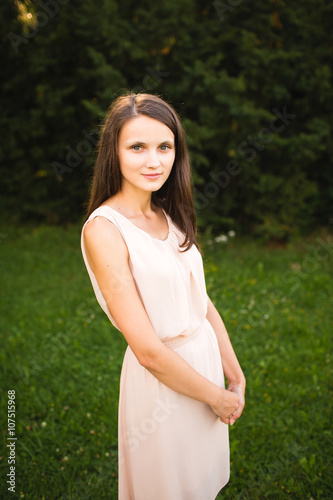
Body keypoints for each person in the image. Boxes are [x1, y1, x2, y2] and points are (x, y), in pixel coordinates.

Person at [80, 92, 246, 500]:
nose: (154, 161)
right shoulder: (104, 230)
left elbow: (200, 303)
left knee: (202, 485)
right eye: (137, 147)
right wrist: (219, 399)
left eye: (164, 147)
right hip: (162, 386)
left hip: (204, 367)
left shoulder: (168, 213)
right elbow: (149, 352)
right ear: (113, 153)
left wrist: (235, 373)